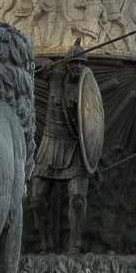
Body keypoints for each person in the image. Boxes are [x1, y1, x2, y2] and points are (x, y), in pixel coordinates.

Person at [30, 39, 99, 254]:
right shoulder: (55, 77)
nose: (79, 67)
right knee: (37, 198)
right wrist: (46, 63)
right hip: (50, 145)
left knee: (78, 199)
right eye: (75, 63)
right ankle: (46, 244)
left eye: (82, 63)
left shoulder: (86, 88)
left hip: (76, 149)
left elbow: (94, 123)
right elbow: (28, 61)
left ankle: (74, 246)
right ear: (67, 64)